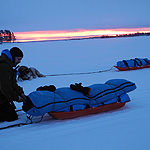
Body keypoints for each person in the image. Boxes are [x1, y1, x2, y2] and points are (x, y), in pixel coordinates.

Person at [0, 47, 26, 122]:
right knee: (11, 117)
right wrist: (17, 98)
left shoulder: (8, 65)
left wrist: (20, 93)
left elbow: (13, 83)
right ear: (13, 57)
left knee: (11, 111)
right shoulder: (4, 66)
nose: (19, 62)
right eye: (18, 59)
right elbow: (5, 88)